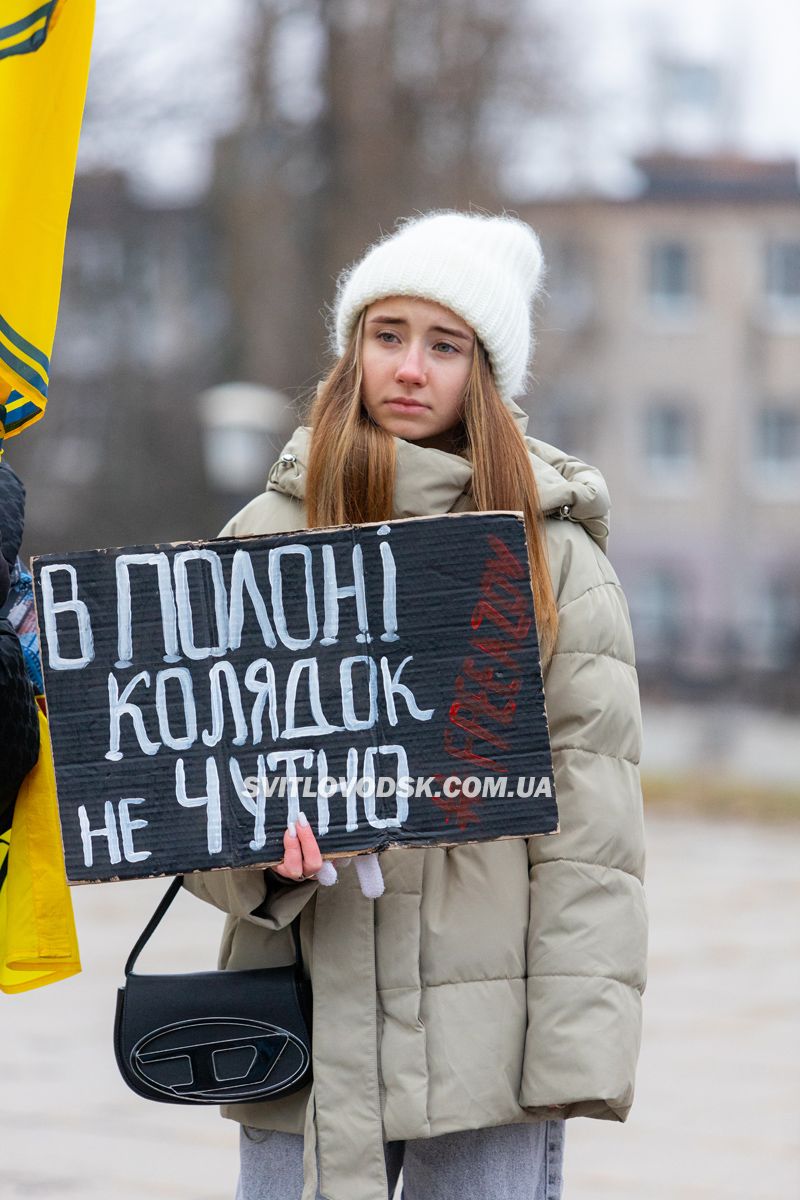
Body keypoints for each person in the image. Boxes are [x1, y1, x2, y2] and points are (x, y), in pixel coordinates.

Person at [184, 210, 647, 1200]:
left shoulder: (550, 555)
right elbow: (185, 773)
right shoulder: (264, 534)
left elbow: (591, 832)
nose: (408, 367)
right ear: (351, 349)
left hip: (487, 1042)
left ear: (483, 372)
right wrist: (255, 856)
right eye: (386, 334)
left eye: (444, 345)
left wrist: (571, 1054)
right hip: (302, 1024)